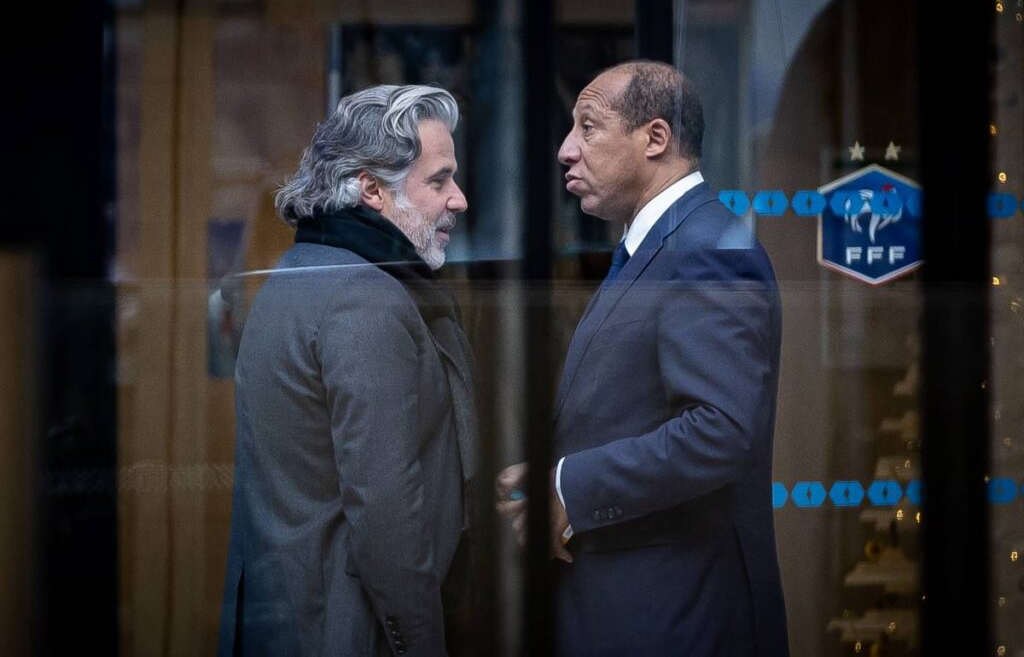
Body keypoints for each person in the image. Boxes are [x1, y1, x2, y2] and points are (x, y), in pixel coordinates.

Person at [497, 60, 789, 655]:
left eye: (588, 126)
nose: (565, 150)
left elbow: (718, 431)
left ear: (655, 138)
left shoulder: (705, 250)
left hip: (677, 619)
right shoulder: (659, 246)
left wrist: (566, 485)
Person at [219, 84, 478, 656]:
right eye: (438, 180)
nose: (458, 199)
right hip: (350, 632)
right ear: (371, 190)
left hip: (291, 621)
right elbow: (386, 512)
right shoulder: (365, 299)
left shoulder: (299, 269)